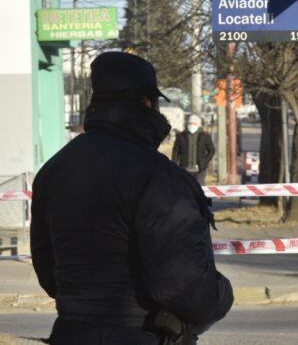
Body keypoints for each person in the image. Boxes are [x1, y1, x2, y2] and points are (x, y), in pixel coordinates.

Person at [31, 52, 233, 345]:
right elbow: (184, 287)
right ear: (147, 103)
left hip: (71, 332)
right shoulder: (158, 177)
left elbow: (49, 273)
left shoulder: (53, 171)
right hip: (142, 334)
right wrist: (222, 293)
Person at [172, 115, 215, 185]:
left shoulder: (205, 135)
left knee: (199, 188)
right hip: (184, 169)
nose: (192, 125)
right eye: (190, 123)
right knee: (186, 189)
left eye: (194, 123)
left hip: (200, 169)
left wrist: (205, 161)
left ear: (198, 124)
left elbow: (212, 150)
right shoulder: (181, 136)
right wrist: (174, 165)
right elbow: (175, 152)